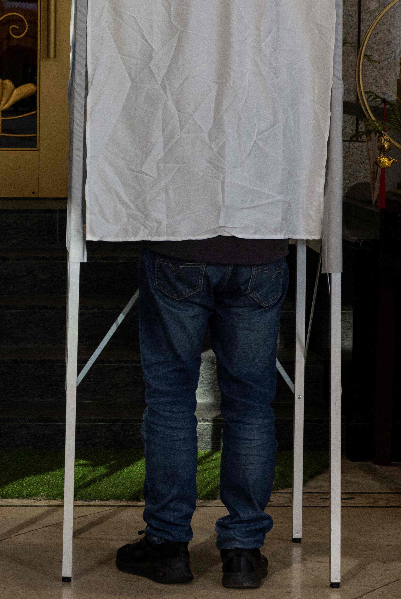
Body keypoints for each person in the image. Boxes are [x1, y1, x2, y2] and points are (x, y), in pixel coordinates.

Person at [116, 237, 289, 590]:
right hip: (260, 246)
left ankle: (167, 546)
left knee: (170, 399)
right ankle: (244, 552)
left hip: (180, 244)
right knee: (251, 405)